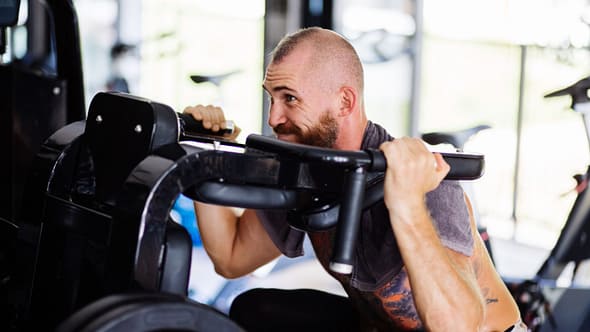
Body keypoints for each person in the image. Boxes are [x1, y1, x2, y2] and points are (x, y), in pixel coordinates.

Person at [183, 27, 524, 331]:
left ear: (344, 101)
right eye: (272, 98)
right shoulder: (306, 165)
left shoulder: (423, 181)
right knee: (255, 308)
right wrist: (209, 154)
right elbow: (232, 258)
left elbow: (460, 329)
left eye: (290, 98)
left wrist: (406, 205)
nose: (274, 117)